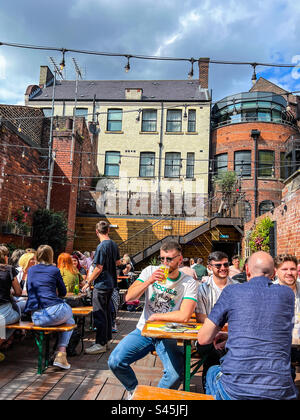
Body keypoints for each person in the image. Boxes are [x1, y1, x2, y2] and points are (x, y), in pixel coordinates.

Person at [197, 251, 298, 400]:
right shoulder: (287, 295)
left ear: (247, 270)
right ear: (274, 273)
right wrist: (232, 336)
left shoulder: (232, 291)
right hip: (280, 390)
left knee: (212, 372)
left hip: (236, 390)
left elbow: (203, 338)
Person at [108, 240, 198, 399]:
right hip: (145, 329)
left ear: (180, 259)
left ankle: (152, 399)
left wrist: (157, 317)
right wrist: (149, 281)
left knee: (175, 374)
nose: (165, 263)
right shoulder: (150, 270)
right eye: (162, 258)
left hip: (168, 334)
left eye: (169, 259)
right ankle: (135, 392)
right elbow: (129, 297)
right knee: (115, 361)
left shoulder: (188, 282)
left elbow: (184, 315)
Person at [24, 245, 75, 370]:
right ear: (51, 256)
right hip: (53, 313)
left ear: (37, 256)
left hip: (36, 316)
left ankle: (61, 356)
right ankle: (61, 353)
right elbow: (63, 292)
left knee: (70, 320)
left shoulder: (31, 270)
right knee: (70, 314)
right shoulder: (54, 270)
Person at [195, 251, 236, 390]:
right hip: (208, 335)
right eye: (218, 265)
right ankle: (210, 391)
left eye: (226, 264)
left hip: (231, 334)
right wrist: (221, 326)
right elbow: (200, 317)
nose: (223, 268)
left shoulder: (237, 287)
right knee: (214, 353)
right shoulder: (203, 289)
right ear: (210, 267)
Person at [82, 221, 121, 354]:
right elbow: (118, 262)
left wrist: (88, 282)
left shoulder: (101, 246)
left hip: (102, 284)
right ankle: (107, 340)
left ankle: (100, 343)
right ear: (108, 231)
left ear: (97, 232)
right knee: (106, 313)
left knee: (99, 313)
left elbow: (98, 268)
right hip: (111, 284)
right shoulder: (114, 245)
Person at [274, 254, 300, 381]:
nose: (289, 273)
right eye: (284, 269)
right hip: (279, 346)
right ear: (276, 271)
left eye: (293, 269)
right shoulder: (268, 292)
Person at [0, 246, 22, 360]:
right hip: (4, 310)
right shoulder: (9, 269)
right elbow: (18, 292)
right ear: (5, 257)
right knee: (18, 317)